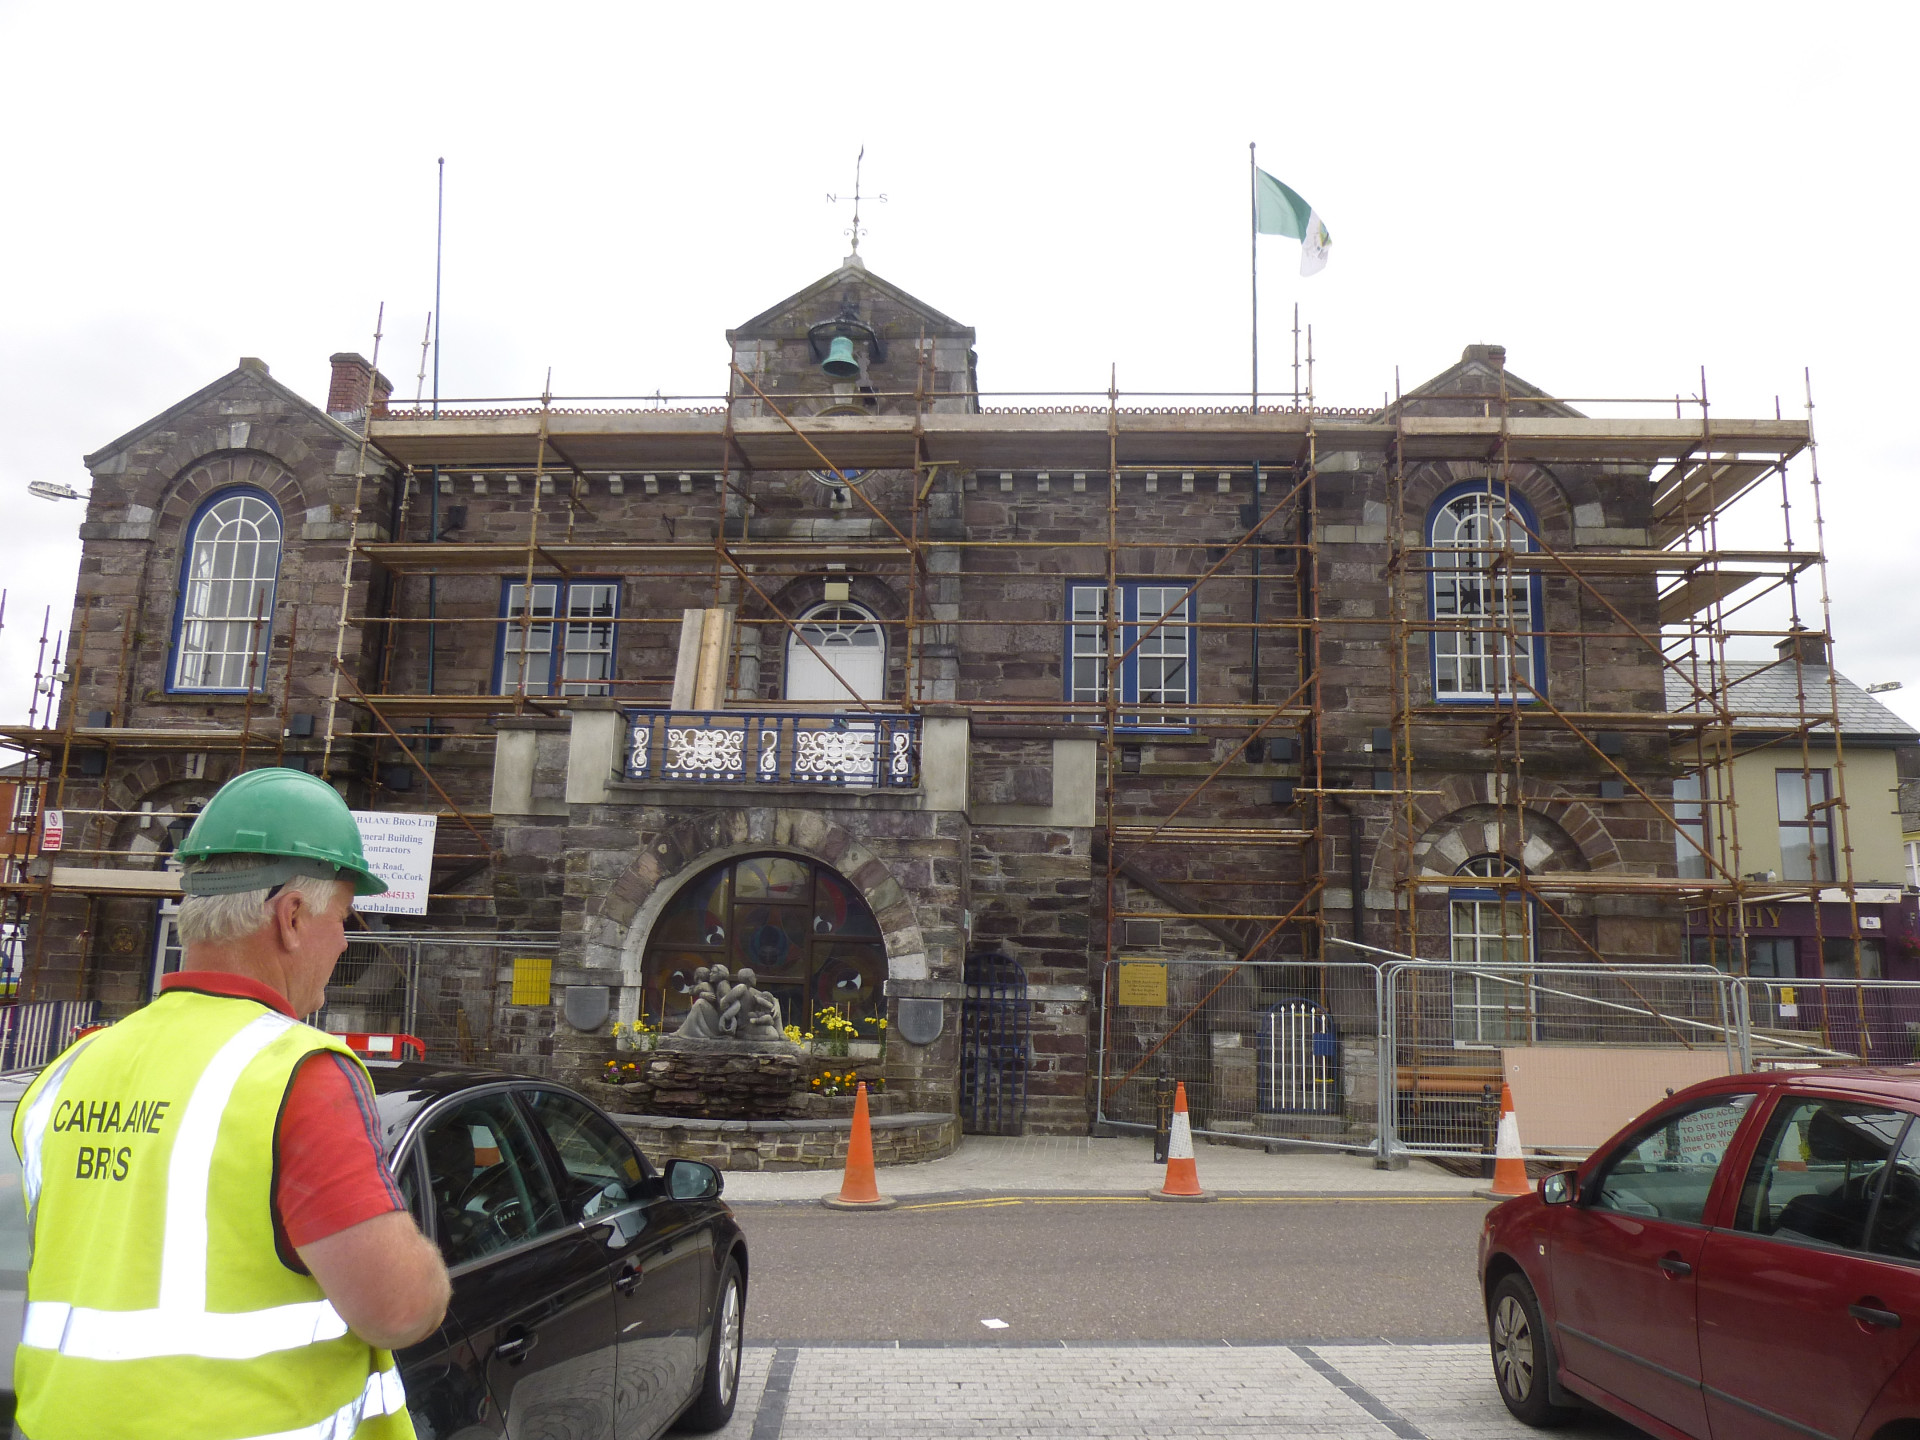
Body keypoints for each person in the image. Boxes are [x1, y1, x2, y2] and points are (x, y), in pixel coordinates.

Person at [10, 767, 450, 1439]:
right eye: (342, 918)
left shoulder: (68, 1071)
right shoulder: (298, 1073)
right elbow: (396, 1308)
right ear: (293, 918)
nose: (344, 942)